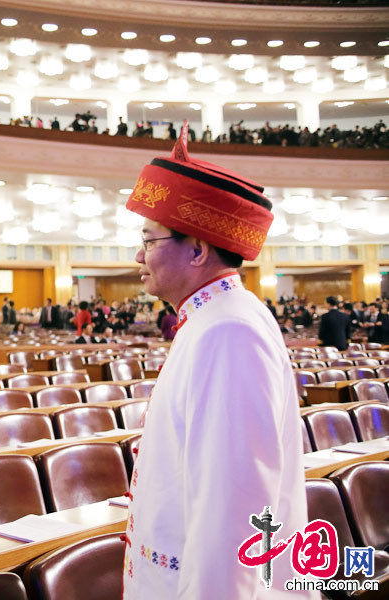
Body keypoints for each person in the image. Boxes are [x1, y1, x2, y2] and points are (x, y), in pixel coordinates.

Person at [121, 123, 311, 598]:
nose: (138, 256)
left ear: (199, 250)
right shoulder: (214, 318)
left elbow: (232, 510)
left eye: (149, 240)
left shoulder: (227, 331)